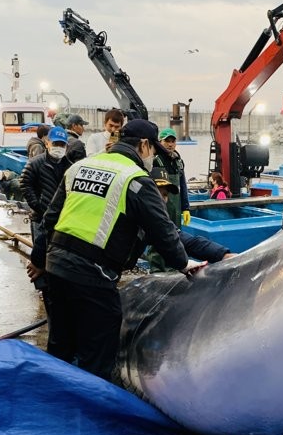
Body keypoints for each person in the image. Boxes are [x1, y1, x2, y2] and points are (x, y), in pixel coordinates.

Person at [28, 119, 189, 380]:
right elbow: (162, 230)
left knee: (61, 345)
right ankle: (90, 412)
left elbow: (50, 219)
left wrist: (39, 260)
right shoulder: (136, 179)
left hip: (56, 268)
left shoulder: (79, 167)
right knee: (98, 353)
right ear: (145, 145)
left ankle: (56, 408)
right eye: (154, 152)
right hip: (93, 275)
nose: (153, 158)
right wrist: (183, 263)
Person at [146, 163, 232, 270]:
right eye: (156, 192)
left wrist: (222, 255)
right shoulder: (135, 213)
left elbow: (187, 241)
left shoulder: (157, 220)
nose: (163, 199)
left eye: (165, 194)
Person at [20, 125, 71, 244]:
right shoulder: (35, 163)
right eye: (55, 144)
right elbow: (25, 184)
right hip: (39, 218)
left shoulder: (70, 166)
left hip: (61, 219)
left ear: (66, 146)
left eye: (62, 145)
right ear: (47, 143)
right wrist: (37, 205)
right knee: (40, 254)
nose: (58, 148)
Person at [157, 127, 190, 226]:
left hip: (176, 210)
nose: (170, 144)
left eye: (173, 141)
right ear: (160, 142)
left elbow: (183, 186)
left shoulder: (179, 162)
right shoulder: (155, 161)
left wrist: (185, 208)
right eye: (167, 141)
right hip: (160, 210)